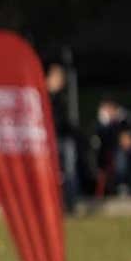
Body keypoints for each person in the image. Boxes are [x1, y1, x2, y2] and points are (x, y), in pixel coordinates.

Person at [47, 64, 79, 209]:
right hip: (47, 140)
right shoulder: (42, 96)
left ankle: (69, 202)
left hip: (62, 139)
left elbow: (63, 122)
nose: (61, 82)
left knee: (68, 171)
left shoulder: (61, 98)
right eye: (58, 78)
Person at [113, 130, 131, 196]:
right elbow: (120, 172)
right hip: (121, 185)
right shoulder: (119, 154)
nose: (127, 142)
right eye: (125, 139)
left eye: (129, 139)